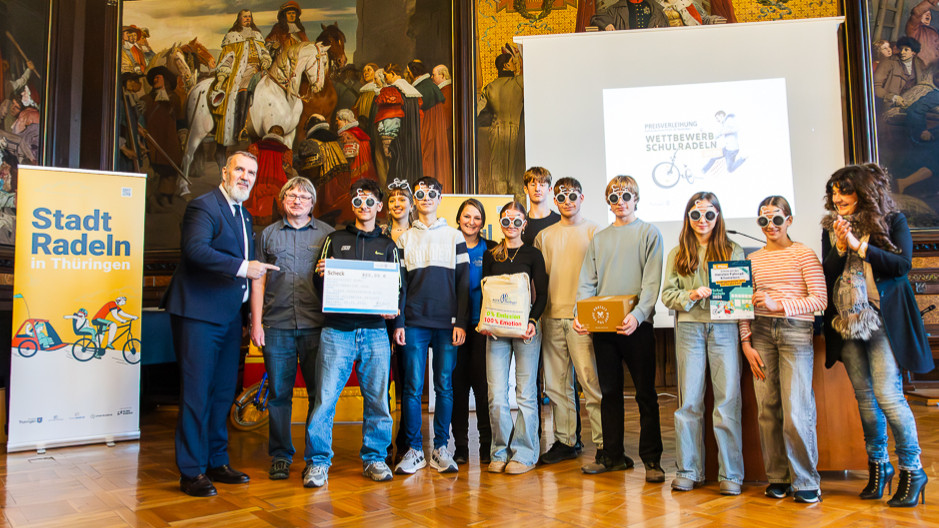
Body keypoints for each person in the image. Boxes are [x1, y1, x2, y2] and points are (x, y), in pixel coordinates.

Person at [161, 151, 279, 497]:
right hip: (198, 315)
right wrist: (245, 268)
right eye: (239, 169)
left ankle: (216, 459)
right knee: (197, 393)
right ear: (225, 172)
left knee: (222, 392)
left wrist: (246, 317)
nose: (245, 176)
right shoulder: (204, 206)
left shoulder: (243, 214)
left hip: (228, 320)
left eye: (251, 173)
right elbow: (195, 251)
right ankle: (191, 471)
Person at [821, 164, 931, 507]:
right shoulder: (830, 227)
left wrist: (860, 245)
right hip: (848, 321)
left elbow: (901, 266)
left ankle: (912, 470)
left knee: (888, 396)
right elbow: (826, 275)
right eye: (834, 192)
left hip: (884, 320)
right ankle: (879, 466)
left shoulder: (893, 221)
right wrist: (840, 248)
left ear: (864, 193)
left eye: (845, 191)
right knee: (865, 399)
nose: (838, 198)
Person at [305, 178, 406, 487]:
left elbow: (398, 287)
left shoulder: (388, 246)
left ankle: (374, 458)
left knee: (377, 399)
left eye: (370, 201)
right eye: (358, 202)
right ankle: (318, 463)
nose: (364, 207)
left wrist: (394, 311)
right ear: (353, 206)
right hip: (337, 331)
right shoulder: (334, 239)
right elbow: (317, 282)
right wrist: (324, 274)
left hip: (375, 332)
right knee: (324, 399)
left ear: (379, 206)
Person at [575, 175, 666, 483]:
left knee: (645, 394)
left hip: (636, 327)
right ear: (608, 202)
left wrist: (639, 315)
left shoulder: (649, 234)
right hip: (603, 327)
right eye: (614, 197)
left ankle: (652, 460)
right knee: (609, 393)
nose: (620, 201)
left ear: (636, 198)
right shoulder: (599, 239)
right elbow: (587, 281)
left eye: (626, 195)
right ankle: (612, 456)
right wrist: (581, 313)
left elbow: (652, 282)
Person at [739, 195, 827, 504]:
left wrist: (781, 304)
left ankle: (805, 479)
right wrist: (745, 342)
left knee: (796, 409)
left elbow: (820, 301)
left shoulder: (804, 254)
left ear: (789, 220)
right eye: (764, 220)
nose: (770, 226)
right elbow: (742, 305)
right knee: (768, 409)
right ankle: (778, 477)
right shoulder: (753, 260)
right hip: (761, 333)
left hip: (795, 332)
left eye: (777, 219)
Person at [249, 176, 333, 482]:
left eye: (303, 196)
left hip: (317, 326)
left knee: (318, 394)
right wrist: (256, 323)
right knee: (279, 395)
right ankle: (281, 455)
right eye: (291, 196)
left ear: (312, 202)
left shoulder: (327, 234)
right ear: (283, 200)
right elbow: (257, 280)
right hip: (277, 325)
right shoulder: (268, 234)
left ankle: (315, 458)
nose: (297, 200)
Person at [661, 192, 745, 496]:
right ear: (687, 218)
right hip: (689, 328)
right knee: (689, 402)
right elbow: (667, 295)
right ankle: (688, 470)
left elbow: (741, 294)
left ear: (718, 216)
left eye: (709, 215)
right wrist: (690, 295)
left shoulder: (733, 249)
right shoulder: (677, 253)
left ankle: (731, 473)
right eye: (695, 215)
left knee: (727, 401)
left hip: (724, 329)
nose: (702, 221)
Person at [393, 176, 469, 475]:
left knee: (445, 387)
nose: (426, 197)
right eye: (421, 193)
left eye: (432, 193)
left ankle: (440, 448)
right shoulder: (404, 238)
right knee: (412, 388)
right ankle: (413, 450)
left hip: (447, 324)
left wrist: (461, 321)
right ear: (415, 199)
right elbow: (399, 287)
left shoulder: (454, 236)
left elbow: (463, 285)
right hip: (413, 323)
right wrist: (399, 321)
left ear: (440, 198)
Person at [534, 177, 604, 466]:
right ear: (555, 199)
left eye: (572, 195)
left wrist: (588, 315)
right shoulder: (545, 236)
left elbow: (601, 278)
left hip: (583, 320)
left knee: (590, 383)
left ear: (582, 197)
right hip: (551, 317)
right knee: (556, 385)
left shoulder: (595, 232)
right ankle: (566, 440)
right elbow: (540, 280)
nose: (567, 201)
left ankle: (603, 443)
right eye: (561, 197)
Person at [481, 202, 548, 475]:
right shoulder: (490, 255)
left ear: (525, 224)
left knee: (526, 395)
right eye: (506, 221)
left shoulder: (533, 254)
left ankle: (525, 454)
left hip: (526, 330)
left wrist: (532, 321)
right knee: (496, 395)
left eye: (517, 221)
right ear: (500, 223)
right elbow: (486, 291)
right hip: (495, 331)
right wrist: (486, 321)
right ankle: (499, 451)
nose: (511, 226)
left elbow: (542, 294)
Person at [452, 198, 497, 465]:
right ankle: (459, 446)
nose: (472, 222)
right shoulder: (448, 246)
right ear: (459, 218)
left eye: (477, 218)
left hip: (484, 328)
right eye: (467, 217)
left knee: (483, 388)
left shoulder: (491, 249)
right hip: (456, 327)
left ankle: (486, 445)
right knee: (457, 389)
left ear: (482, 222)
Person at [210, 10, 272, 147]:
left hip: (260, 69)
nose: (247, 19)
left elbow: (264, 52)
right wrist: (222, 76)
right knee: (244, 87)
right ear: (239, 19)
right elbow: (227, 58)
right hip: (242, 71)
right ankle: (241, 128)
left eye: (249, 16)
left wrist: (266, 60)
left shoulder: (257, 35)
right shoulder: (232, 37)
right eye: (244, 16)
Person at [477, 50, 524, 199]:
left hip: (496, 131)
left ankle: (501, 206)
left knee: (498, 173)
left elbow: (476, 112)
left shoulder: (490, 87)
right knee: (516, 174)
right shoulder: (519, 82)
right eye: (512, 63)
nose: (515, 66)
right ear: (506, 66)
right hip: (517, 132)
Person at [141, 66, 183, 209]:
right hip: (151, 139)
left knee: (169, 169)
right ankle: (151, 199)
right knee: (152, 169)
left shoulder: (174, 98)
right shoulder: (145, 99)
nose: (155, 79)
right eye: (154, 78)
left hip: (169, 140)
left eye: (158, 77)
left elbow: (180, 117)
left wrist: (182, 134)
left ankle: (166, 196)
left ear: (166, 81)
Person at [376, 63, 423, 187]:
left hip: (398, 143)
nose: (385, 79)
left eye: (386, 76)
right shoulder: (412, 92)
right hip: (412, 142)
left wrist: (387, 143)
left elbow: (390, 119)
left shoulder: (392, 91)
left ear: (393, 74)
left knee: (397, 174)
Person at [408, 60, 452, 190]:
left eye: (435, 75)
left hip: (430, 131)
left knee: (428, 159)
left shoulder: (426, 89)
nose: (432, 77)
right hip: (436, 132)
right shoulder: (433, 88)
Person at [245, 125, 293, 226]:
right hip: (278, 183)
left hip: (258, 182)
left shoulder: (255, 146)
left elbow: (248, 165)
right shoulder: (286, 151)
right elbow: (288, 171)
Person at [873, 36, 929, 109]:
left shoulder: (919, 64)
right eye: (901, 49)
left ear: (913, 52)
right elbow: (875, 86)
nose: (902, 52)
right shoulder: (888, 62)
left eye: (906, 50)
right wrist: (893, 97)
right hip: (890, 105)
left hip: (912, 104)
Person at [521, 166, 560, 246]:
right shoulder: (520, 224)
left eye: (542, 185)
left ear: (549, 189)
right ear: (526, 189)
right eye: (533, 184)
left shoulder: (560, 221)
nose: (537, 189)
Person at [336, 108, 377, 185]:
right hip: (367, 172)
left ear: (345, 121)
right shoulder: (360, 132)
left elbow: (347, 160)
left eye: (338, 120)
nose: (336, 123)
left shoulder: (345, 135)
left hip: (354, 174)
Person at [590, 0, 669, 30]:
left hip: (650, 51)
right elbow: (596, 18)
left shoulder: (656, 9)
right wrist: (607, 24)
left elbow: (667, 32)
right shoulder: (616, 9)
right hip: (625, 51)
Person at [906, 0, 939, 69]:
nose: (928, 15)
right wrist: (932, 1)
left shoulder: (934, 32)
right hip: (921, 69)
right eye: (925, 13)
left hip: (934, 71)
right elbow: (917, 12)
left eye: (929, 14)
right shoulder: (914, 29)